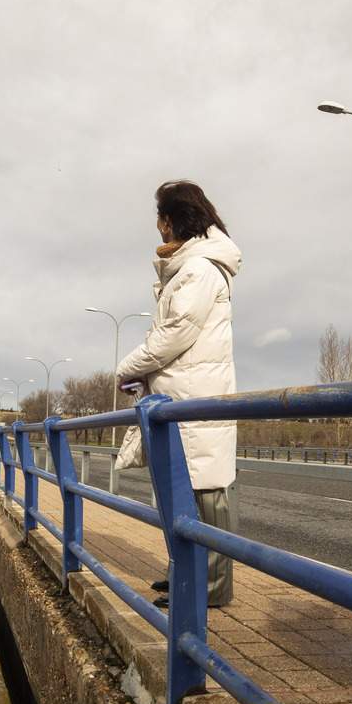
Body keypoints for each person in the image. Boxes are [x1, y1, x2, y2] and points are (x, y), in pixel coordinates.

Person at [116, 180, 241, 609]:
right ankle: (186, 575)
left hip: (196, 396)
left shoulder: (200, 269)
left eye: (160, 220)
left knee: (206, 494)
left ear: (172, 221)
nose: (157, 229)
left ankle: (210, 589)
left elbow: (175, 332)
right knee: (183, 492)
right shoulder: (190, 267)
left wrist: (127, 367)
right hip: (183, 396)